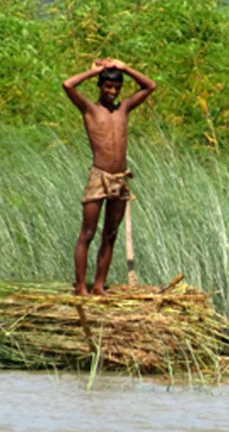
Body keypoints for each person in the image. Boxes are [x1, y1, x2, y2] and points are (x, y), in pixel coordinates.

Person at [62, 58, 157, 296]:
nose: (112, 91)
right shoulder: (90, 109)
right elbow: (67, 85)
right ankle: (81, 287)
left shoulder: (123, 108)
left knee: (111, 234)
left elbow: (150, 86)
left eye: (116, 87)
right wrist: (93, 71)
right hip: (99, 176)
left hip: (119, 178)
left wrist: (125, 68)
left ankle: (98, 285)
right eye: (108, 86)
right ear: (100, 86)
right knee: (88, 233)